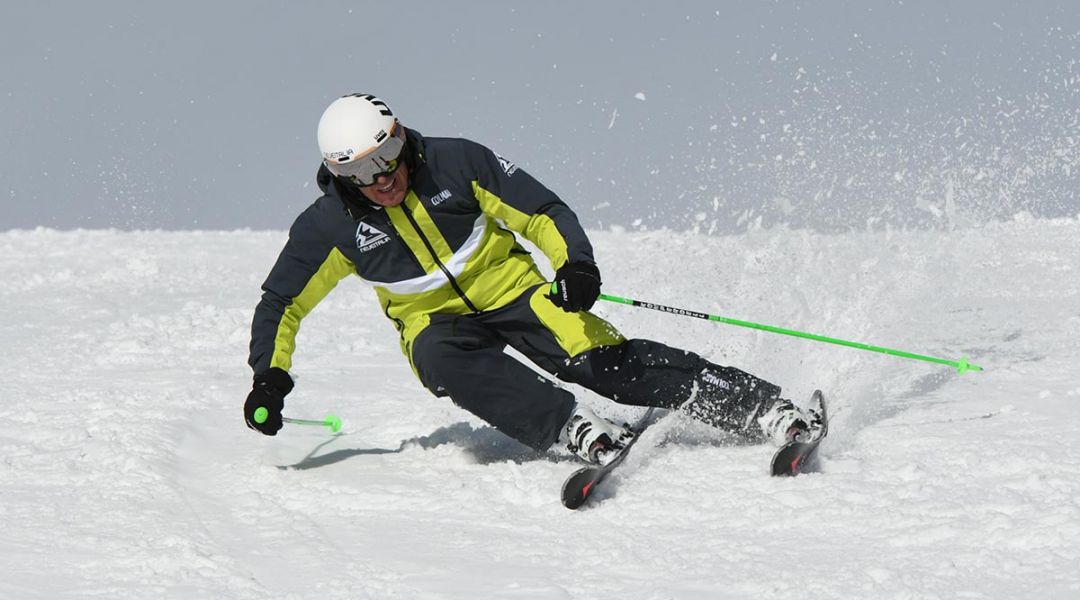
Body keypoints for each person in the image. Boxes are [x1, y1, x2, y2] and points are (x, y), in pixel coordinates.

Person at [244, 93, 823, 464]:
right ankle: (570, 428)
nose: (386, 175)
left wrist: (574, 265)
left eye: (390, 152)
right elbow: (282, 303)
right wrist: (269, 376)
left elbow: (541, 211)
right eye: (364, 170)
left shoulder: (455, 161)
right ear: (338, 174)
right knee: (439, 359)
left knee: (602, 362)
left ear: (400, 135)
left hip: (516, 290)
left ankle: (762, 407)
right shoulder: (330, 226)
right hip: (435, 322)